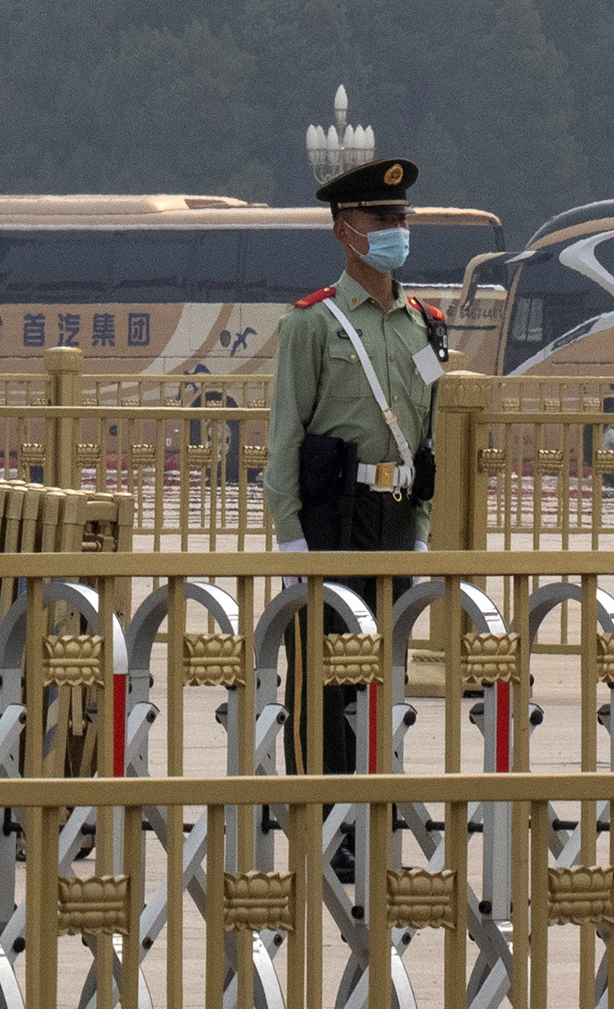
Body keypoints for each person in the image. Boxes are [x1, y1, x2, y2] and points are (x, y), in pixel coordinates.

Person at [266, 152, 448, 775]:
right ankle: (323, 813)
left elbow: (430, 437)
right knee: (325, 671)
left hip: (395, 519)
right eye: (381, 218)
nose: (397, 231)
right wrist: (291, 541)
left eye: (402, 218)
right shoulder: (313, 324)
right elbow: (285, 438)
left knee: (382, 670)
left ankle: (377, 801)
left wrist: (421, 530)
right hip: (331, 521)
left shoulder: (424, 324)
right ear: (345, 229)